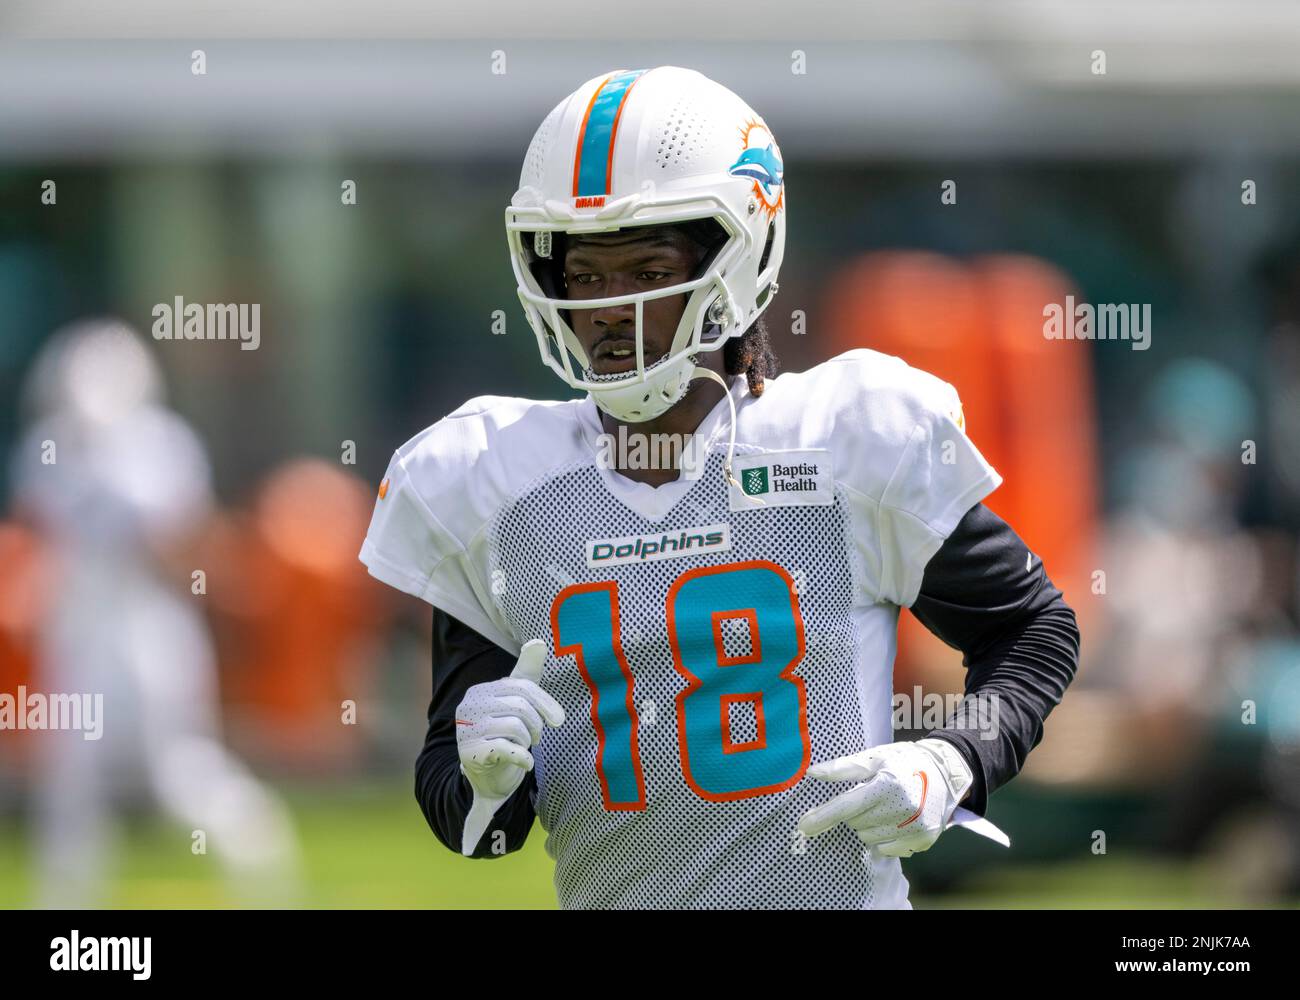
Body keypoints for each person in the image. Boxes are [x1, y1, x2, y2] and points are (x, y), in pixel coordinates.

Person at [359, 66, 1079, 909]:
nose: (607, 308)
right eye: (585, 276)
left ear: (740, 256)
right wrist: (483, 774)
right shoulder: (494, 484)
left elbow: (1034, 629)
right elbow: (475, 823)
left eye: (646, 266)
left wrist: (952, 760)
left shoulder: (844, 442)